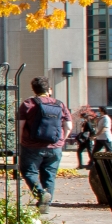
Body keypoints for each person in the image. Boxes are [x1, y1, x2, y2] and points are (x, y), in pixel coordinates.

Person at [15, 77, 70, 210]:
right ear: (49, 90)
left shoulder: (28, 103)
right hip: (54, 147)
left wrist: (21, 142)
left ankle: (41, 194)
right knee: (49, 174)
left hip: (31, 146)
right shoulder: (60, 104)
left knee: (28, 171)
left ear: (34, 90)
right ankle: (46, 205)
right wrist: (62, 141)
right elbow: (68, 126)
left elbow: (20, 126)